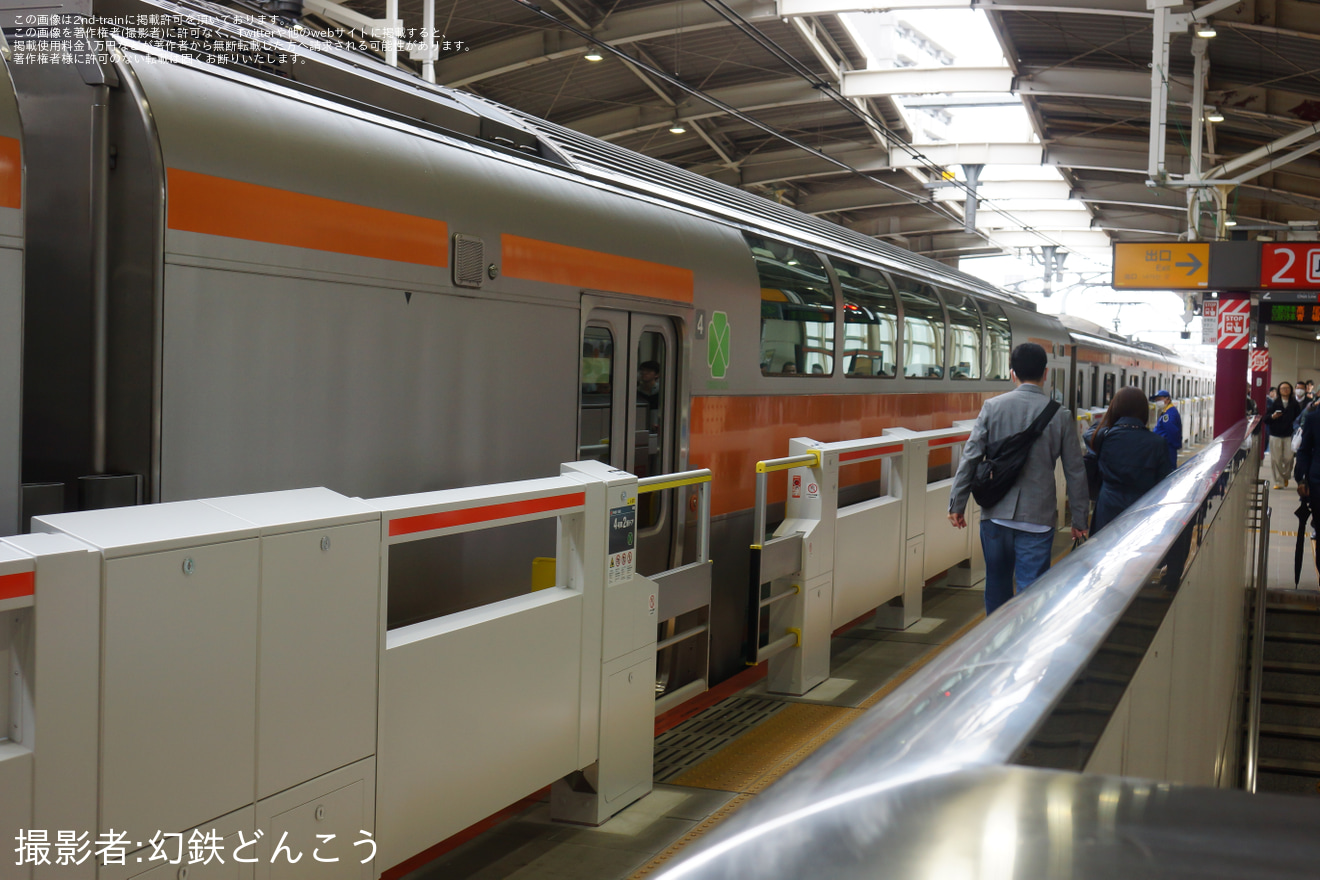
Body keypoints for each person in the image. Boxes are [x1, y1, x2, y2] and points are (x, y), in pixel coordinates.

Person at [948, 343, 1089, 615]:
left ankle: (996, 637)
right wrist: (1080, 519)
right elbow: (1075, 471)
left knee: (996, 585)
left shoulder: (992, 407)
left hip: (996, 514)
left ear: (1011, 372)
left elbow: (970, 457)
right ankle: (1024, 640)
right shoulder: (1060, 415)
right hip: (1038, 518)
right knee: (1031, 592)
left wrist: (957, 503)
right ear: (1045, 373)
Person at [1084, 387, 1174, 534]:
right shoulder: (1157, 443)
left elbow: (1089, 435)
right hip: (1142, 513)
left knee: (1104, 546)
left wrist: (1111, 419)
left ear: (1115, 409)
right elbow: (1164, 486)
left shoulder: (1104, 438)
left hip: (1107, 510)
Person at [1267, 381, 1302, 489]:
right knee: (1276, 459)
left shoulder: (1294, 404)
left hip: (1289, 434)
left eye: (1287, 388)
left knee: (1289, 459)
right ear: (1279, 390)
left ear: (1291, 390)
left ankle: (1286, 476)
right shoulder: (1274, 403)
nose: (1285, 390)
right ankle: (1279, 482)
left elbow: (1299, 418)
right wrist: (1273, 416)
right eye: (1283, 388)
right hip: (1275, 434)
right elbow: (1266, 418)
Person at [1151, 389, 1182, 469]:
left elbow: (1172, 432)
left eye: (1159, 399)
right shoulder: (1168, 412)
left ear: (1167, 399)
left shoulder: (1169, 415)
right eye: (1156, 400)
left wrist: (1174, 445)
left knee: (1168, 469)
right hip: (1166, 447)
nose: (1157, 402)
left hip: (1167, 448)